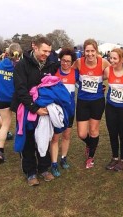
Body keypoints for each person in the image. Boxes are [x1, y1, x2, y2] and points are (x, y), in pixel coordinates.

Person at [11, 37, 59, 186]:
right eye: (44, 51)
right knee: (29, 140)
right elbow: (21, 90)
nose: (47, 54)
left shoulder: (50, 64)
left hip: (43, 109)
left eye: (49, 51)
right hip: (26, 109)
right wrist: (34, 108)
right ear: (34, 47)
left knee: (44, 137)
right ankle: (30, 172)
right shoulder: (22, 65)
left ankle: (44, 168)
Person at [73, 39, 110, 169]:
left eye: (92, 51)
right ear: (84, 51)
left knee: (94, 130)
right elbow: (70, 72)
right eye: (87, 51)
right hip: (83, 101)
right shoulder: (78, 62)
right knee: (82, 134)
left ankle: (90, 158)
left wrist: (103, 82)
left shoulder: (103, 62)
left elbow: (113, 72)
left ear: (96, 51)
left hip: (97, 101)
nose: (89, 54)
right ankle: (90, 144)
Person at [0, 43, 22, 163]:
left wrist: (1, 88)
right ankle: (21, 149)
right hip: (16, 99)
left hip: (2, 99)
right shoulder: (20, 66)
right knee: (20, 124)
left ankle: (0, 150)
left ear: (7, 53)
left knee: (5, 125)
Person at [50, 48, 79, 177]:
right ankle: (54, 163)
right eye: (63, 60)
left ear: (72, 62)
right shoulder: (54, 72)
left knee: (66, 136)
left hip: (70, 111)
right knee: (55, 138)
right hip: (57, 112)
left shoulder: (75, 73)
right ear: (60, 60)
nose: (65, 63)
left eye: (68, 61)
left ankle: (63, 158)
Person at [104, 48, 123, 171]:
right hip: (111, 107)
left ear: (122, 59)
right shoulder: (108, 70)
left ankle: (122, 159)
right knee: (112, 133)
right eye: (110, 58)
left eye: (115, 58)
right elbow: (96, 78)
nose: (112, 60)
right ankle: (115, 157)